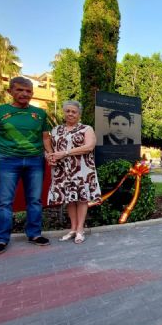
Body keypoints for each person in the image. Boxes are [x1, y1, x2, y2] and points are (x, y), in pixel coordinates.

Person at [0, 77, 52, 256]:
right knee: (4, 201)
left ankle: (34, 234)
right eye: (20, 90)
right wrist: (4, 153)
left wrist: (50, 154)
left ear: (32, 94)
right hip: (6, 162)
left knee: (35, 200)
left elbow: (45, 137)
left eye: (28, 91)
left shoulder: (40, 114)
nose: (24, 94)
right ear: (10, 91)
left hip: (35, 161)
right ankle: (1, 239)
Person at [46, 101, 101, 244]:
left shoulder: (86, 129)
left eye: (74, 112)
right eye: (68, 111)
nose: (70, 114)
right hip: (63, 170)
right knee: (69, 199)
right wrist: (49, 156)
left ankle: (80, 229)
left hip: (82, 169)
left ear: (79, 114)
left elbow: (89, 147)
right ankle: (73, 228)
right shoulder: (56, 130)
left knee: (82, 198)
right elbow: (50, 148)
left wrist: (65, 153)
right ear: (64, 112)